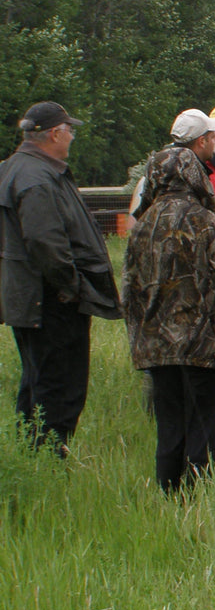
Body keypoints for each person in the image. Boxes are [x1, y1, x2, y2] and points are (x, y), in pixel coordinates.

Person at [122, 110, 215, 493]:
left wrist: (138, 342)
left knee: (168, 425)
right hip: (200, 345)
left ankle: (168, 495)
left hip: (157, 345)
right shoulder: (204, 220)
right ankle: (198, 497)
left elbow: (129, 290)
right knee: (201, 425)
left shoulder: (142, 223)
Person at [0, 101, 121, 454]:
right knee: (59, 389)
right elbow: (44, 242)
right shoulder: (36, 179)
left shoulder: (15, 168)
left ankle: (32, 455)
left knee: (36, 383)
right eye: (70, 130)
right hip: (50, 301)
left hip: (29, 299)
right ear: (54, 133)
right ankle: (49, 458)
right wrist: (72, 287)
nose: (71, 137)